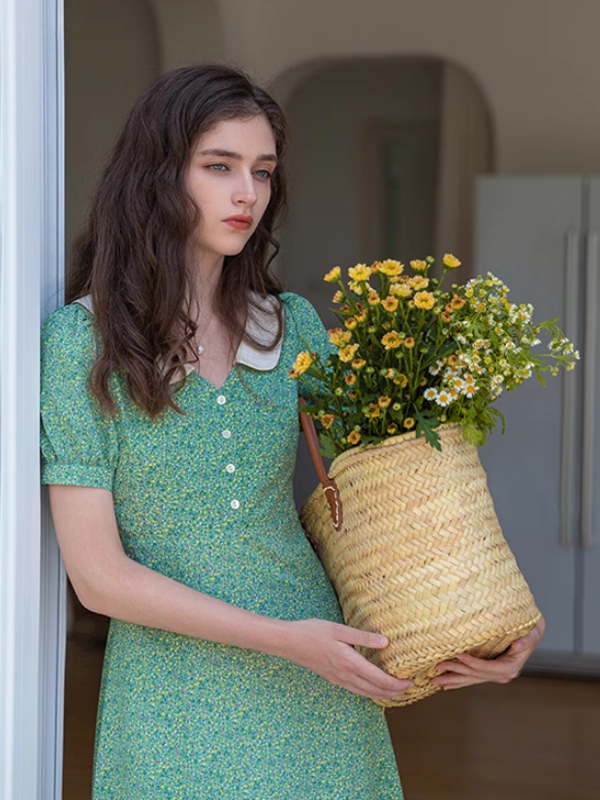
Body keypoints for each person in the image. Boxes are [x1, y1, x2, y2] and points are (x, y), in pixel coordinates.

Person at [40, 64, 545, 800]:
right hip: (177, 696)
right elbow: (98, 578)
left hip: (321, 677)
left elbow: (392, 493)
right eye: (219, 167)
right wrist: (292, 642)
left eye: (263, 171)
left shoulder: (293, 327)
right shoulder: (82, 343)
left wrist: (495, 619)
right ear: (156, 175)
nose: (247, 193)